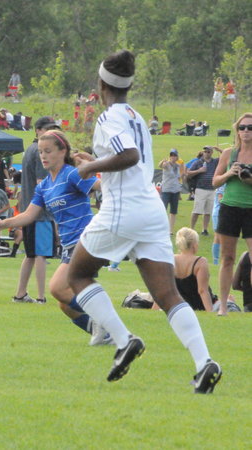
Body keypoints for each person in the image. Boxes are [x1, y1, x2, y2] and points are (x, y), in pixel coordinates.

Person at [67, 50, 221, 393]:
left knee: (76, 275)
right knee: (167, 294)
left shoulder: (108, 117)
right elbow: (130, 164)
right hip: (151, 209)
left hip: (125, 210)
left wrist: (90, 167)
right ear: (129, 85)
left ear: (101, 84)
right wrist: (97, 160)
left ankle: (124, 340)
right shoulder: (136, 117)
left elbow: (129, 156)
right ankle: (204, 363)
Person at [0, 130, 111, 345]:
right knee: (65, 304)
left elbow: (101, 187)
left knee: (57, 288)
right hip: (69, 245)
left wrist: (96, 167)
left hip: (86, 239)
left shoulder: (72, 174)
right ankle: (104, 335)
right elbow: (29, 215)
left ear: (62, 152)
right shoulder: (44, 186)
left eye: (48, 151)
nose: (43, 156)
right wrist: (2, 223)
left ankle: (107, 321)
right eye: (40, 152)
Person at [211, 112, 252, 316]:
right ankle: (223, 306)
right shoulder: (229, 154)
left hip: (250, 208)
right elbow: (215, 181)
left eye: (250, 128)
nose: (246, 131)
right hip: (229, 207)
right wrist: (229, 173)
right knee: (227, 258)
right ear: (237, 130)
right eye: (242, 127)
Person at [14, 116, 58, 303]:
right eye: (48, 129)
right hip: (40, 213)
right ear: (38, 130)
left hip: (28, 210)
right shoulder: (41, 152)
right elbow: (42, 183)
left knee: (31, 254)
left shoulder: (30, 149)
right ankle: (41, 297)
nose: (51, 133)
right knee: (41, 254)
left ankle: (20, 294)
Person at [173, 228, 214, 311]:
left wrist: (154, 310)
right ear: (194, 245)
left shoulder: (171, 259)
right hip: (198, 305)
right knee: (230, 304)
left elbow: (164, 289)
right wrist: (210, 311)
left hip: (178, 305)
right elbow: (202, 290)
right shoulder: (200, 262)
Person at [187, 145, 219, 235]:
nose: (206, 153)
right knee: (197, 211)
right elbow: (188, 173)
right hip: (200, 189)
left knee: (208, 212)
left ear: (211, 153)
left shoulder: (215, 162)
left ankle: (204, 229)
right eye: (205, 151)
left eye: (208, 152)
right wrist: (199, 171)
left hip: (211, 189)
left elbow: (226, 156)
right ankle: (191, 229)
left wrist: (219, 149)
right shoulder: (198, 162)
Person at [159, 149, 184, 234]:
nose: (173, 157)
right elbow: (161, 165)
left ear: (177, 157)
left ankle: (170, 230)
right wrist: (163, 161)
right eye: (171, 155)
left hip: (175, 190)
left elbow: (178, 178)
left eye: (174, 155)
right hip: (166, 190)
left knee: (173, 211)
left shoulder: (177, 166)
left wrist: (179, 192)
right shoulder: (166, 164)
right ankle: (161, 228)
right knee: (163, 209)